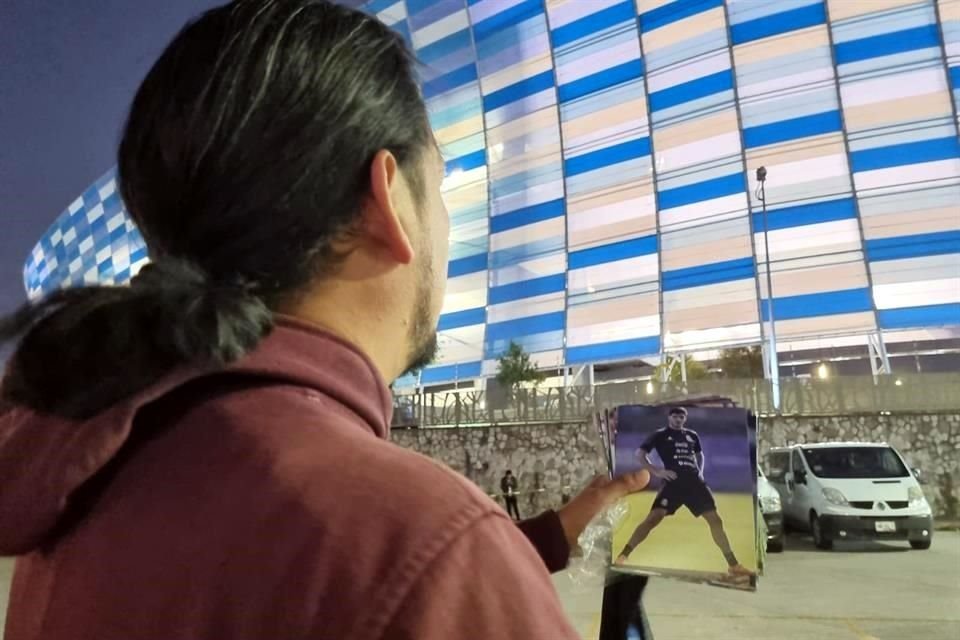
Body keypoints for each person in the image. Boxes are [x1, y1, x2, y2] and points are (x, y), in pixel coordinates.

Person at [0, 3, 635, 638]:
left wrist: (534, 544)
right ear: (385, 199)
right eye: (439, 187)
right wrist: (480, 572)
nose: (444, 224)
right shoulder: (431, 548)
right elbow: (388, 577)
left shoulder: (81, 478)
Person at [615, 407, 753, 577]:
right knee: (653, 519)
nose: (678, 419)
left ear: (685, 419)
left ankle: (733, 565)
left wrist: (700, 472)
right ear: (669, 417)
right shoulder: (660, 435)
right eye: (675, 416)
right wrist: (657, 471)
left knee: (715, 520)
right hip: (673, 483)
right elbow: (640, 453)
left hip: (695, 484)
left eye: (681, 417)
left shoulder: (692, 435)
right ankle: (623, 555)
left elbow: (700, 455)